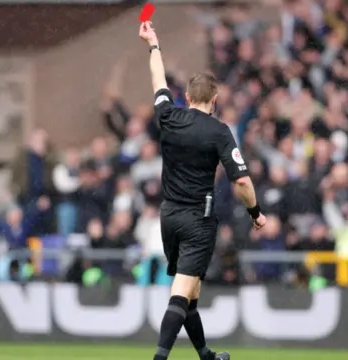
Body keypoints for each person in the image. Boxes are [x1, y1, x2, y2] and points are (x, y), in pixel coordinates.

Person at [139, 21, 266, 360]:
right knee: (181, 292)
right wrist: (255, 212)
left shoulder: (168, 115)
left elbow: (157, 80)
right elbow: (241, 180)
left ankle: (207, 356)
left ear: (186, 97)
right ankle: (159, 358)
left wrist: (154, 45)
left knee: (190, 290)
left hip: (169, 217)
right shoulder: (219, 131)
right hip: (198, 218)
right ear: (214, 98)